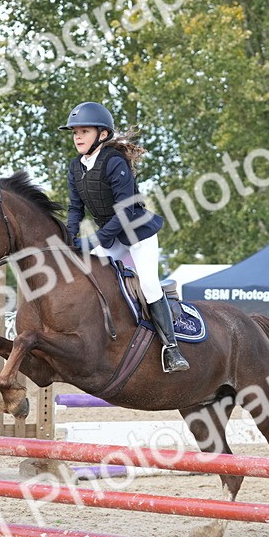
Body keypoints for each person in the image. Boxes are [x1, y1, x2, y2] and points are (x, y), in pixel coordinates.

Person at [60, 101, 190, 373]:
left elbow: (125, 211)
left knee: (149, 285)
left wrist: (94, 241)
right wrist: (70, 238)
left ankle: (172, 348)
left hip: (137, 233)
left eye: (83, 131)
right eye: (75, 133)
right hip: (111, 235)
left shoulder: (114, 162)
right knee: (86, 275)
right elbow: (75, 209)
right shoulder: (75, 167)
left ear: (102, 135)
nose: (78, 137)